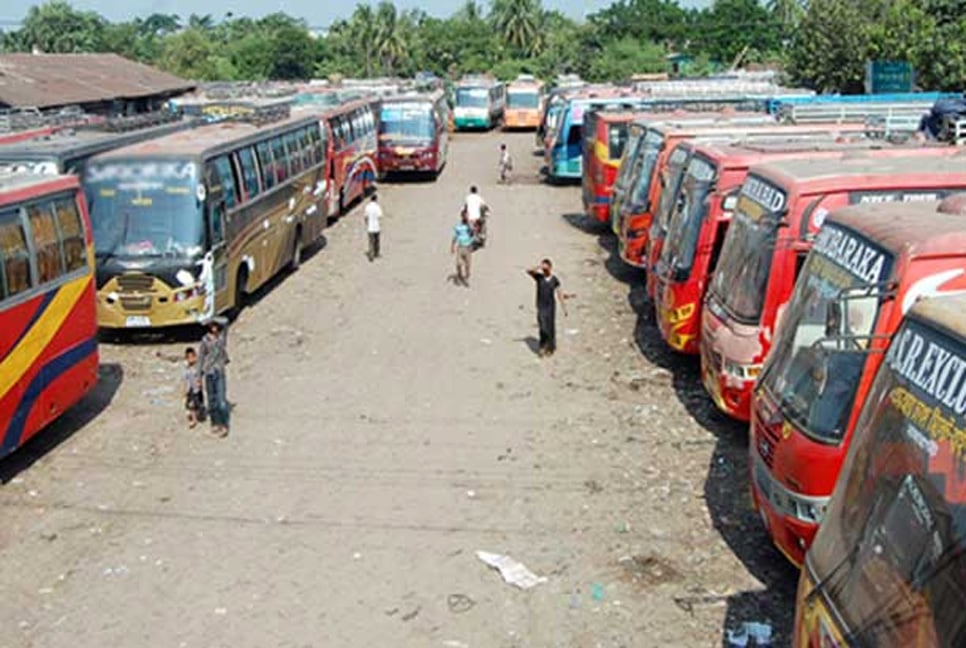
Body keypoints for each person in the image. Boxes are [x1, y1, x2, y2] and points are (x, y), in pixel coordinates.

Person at [526, 259, 570, 357]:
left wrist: (564, 308)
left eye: (546, 267)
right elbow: (528, 271)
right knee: (542, 326)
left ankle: (550, 347)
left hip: (550, 307)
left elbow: (560, 294)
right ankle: (542, 345)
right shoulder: (539, 277)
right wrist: (539, 266)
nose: (545, 269)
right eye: (544, 267)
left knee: (550, 327)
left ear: (550, 267)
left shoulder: (555, 280)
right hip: (540, 305)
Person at [198, 317, 230, 437]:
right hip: (209, 372)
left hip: (220, 372)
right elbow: (201, 358)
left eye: (216, 326)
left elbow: (226, 322)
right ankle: (215, 423)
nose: (214, 328)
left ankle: (224, 425)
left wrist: (212, 318)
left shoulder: (222, 338)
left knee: (221, 401)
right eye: (212, 326)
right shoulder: (205, 340)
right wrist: (198, 376)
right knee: (212, 401)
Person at [452, 211, 475, 287]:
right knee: (458, 263)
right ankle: (459, 276)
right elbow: (455, 236)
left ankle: (466, 278)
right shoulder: (458, 227)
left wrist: (470, 225)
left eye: (467, 216)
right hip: (460, 247)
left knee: (468, 265)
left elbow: (473, 233)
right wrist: (452, 246)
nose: (466, 217)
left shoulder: (470, 226)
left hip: (468, 247)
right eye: (465, 216)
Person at [183, 347, 204, 428]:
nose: (191, 359)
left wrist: (201, 385)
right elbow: (185, 380)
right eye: (189, 358)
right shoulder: (186, 369)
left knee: (199, 404)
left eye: (193, 357)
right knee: (191, 405)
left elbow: (200, 377)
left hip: (197, 389)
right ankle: (194, 420)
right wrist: (184, 390)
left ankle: (201, 411)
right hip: (190, 389)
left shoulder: (197, 368)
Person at [364, 194, 383, 261]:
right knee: (377, 241)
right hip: (376, 227)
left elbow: (365, 217)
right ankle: (376, 253)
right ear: (376, 199)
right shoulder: (377, 207)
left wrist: (366, 223)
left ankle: (371, 255)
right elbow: (380, 216)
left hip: (370, 227)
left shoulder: (367, 207)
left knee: (371, 242)